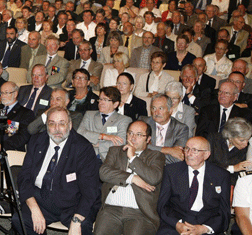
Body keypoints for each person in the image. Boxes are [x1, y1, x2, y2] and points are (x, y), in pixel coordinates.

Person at [12, 107, 101, 235]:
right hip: (42, 198)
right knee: (20, 219)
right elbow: (24, 176)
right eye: (52, 123)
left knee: (83, 226)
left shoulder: (83, 148)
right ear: (47, 125)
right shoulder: (37, 141)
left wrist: (77, 220)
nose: (57, 128)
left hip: (73, 202)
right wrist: (34, 207)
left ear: (70, 125)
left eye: (62, 123)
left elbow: (90, 189)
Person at [94, 120, 166, 235]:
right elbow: (104, 173)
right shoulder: (115, 151)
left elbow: (153, 178)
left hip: (139, 213)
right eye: (130, 133)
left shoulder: (156, 156)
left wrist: (133, 158)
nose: (133, 138)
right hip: (111, 209)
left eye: (139, 135)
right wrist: (132, 178)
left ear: (148, 139)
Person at [156, 136, 231, 235]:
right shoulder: (171, 171)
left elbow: (224, 212)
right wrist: (178, 225)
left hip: (207, 225)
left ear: (206, 154)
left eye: (195, 150)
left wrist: (204, 229)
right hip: (177, 224)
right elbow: (162, 205)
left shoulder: (221, 175)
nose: (189, 154)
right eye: (187, 149)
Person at [78, 86, 132, 161]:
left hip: (108, 160)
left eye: (105, 100)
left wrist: (97, 145)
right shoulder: (90, 115)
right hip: (86, 156)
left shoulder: (124, 120)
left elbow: (121, 142)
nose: (101, 103)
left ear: (115, 104)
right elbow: (80, 133)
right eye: (100, 99)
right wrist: (103, 136)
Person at [143, 94, 189, 164]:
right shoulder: (143, 123)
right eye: (154, 108)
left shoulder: (181, 129)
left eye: (161, 108)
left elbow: (178, 158)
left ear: (170, 110)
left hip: (168, 170)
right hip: (145, 168)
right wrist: (168, 150)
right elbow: (137, 146)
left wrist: (150, 150)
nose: (156, 113)